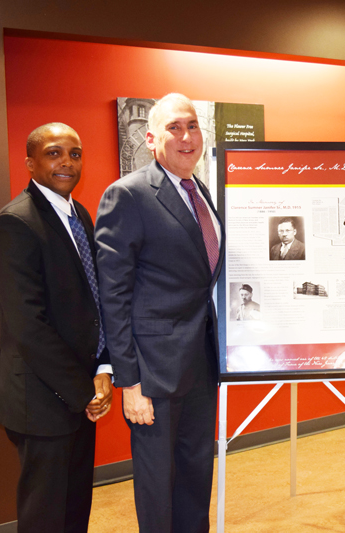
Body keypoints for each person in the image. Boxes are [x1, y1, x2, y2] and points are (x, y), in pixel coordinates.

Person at [95, 93, 224, 532]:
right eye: (174, 128)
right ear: (151, 138)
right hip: (153, 373)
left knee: (194, 478)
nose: (186, 137)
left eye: (192, 126)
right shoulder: (127, 195)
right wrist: (128, 381)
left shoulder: (199, 191)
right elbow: (113, 296)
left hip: (200, 365)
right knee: (157, 488)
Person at [0, 122, 112, 532]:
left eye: (74, 154)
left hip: (78, 393)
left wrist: (102, 370)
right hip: (40, 399)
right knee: (45, 517)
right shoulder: (15, 224)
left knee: (75, 509)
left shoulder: (80, 215)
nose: (67, 162)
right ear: (30, 162)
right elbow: (28, 326)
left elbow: (92, 303)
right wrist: (82, 390)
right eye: (54, 153)